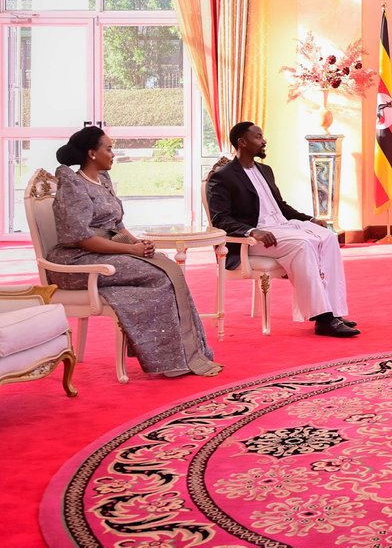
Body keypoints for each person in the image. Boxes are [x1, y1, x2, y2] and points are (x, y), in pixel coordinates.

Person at [46, 126, 221, 377]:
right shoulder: (73, 184)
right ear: (92, 153)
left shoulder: (102, 180)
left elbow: (117, 226)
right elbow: (83, 239)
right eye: (109, 148)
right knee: (160, 276)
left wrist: (139, 244)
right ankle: (171, 360)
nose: (113, 154)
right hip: (77, 262)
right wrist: (131, 249)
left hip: (104, 252)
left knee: (166, 264)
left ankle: (188, 354)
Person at [207, 122, 360, 338]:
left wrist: (309, 219)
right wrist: (251, 231)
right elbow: (220, 219)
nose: (264, 141)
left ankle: (334, 311)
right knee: (303, 245)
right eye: (258, 137)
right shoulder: (223, 177)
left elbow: (281, 207)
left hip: (282, 227)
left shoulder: (265, 170)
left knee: (328, 238)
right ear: (242, 142)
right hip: (254, 238)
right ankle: (322, 318)